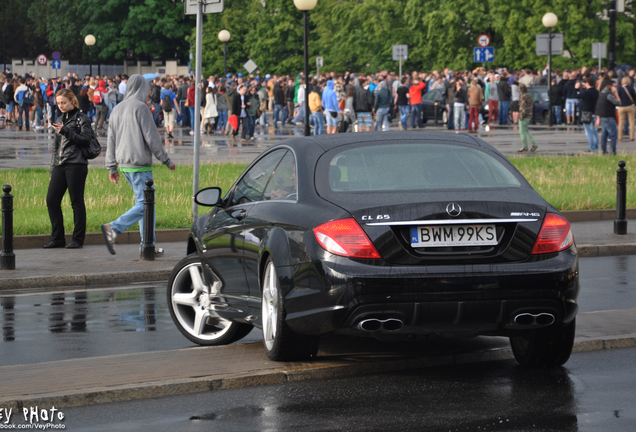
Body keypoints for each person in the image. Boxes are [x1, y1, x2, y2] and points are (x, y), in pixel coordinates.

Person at [101, 74, 175, 256]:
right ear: (142, 88)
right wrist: (166, 160)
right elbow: (153, 139)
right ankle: (114, 228)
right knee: (146, 204)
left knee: (143, 203)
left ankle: (147, 244)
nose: (149, 91)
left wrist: (111, 167)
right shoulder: (141, 108)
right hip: (139, 164)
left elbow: (110, 141)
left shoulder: (117, 109)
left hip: (124, 165)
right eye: (147, 87)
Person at [44, 88, 92, 249]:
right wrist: (52, 168)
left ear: (73, 101)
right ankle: (57, 238)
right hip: (60, 164)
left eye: (63, 102)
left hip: (76, 164)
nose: (61, 106)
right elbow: (56, 146)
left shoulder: (82, 118)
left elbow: (86, 140)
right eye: (58, 103)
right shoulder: (60, 118)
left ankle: (78, 239)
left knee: (76, 201)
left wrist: (65, 130)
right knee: (51, 200)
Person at [595, 79, 621, 155]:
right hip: (609, 117)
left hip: (603, 117)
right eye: (614, 86)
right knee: (613, 135)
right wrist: (616, 93)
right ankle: (613, 152)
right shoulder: (609, 94)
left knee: (604, 135)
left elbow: (599, 106)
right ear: (610, 86)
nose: (615, 87)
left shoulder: (602, 94)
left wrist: (598, 118)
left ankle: (604, 151)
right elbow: (619, 103)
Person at [578, 77, 600, 152]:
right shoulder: (596, 92)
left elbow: (578, 96)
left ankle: (592, 147)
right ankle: (596, 147)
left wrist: (576, 88)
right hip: (595, 112)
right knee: (595, 131)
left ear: (587, 83)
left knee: (589, 131)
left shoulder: (586, 92)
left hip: (587, 113)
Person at [517, 84, 538, 153]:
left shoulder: (523, 96)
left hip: (524, 116)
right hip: (529, 115)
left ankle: (525, 147)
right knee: (526, 131)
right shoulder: (529, 95)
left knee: (522, 132)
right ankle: (534, 144)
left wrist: (521, 116)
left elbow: (523, 107)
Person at [617, 76, 636, 141]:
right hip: (630, 106)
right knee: (631, 122)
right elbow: (634, 97)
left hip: (621, 107)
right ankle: (632, 137)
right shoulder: (631, 88)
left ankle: (620, 137)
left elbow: (617, 98)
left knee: (621, 122)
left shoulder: (619, 89)